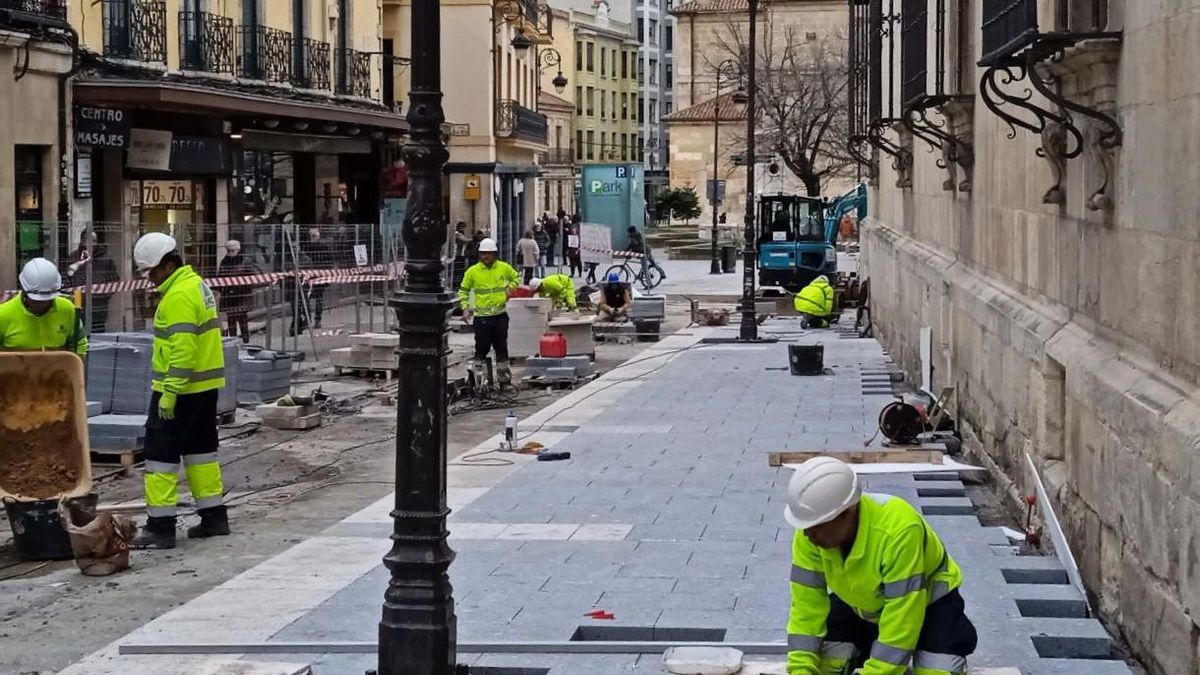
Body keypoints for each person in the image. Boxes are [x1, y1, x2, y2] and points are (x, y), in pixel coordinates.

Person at [784, 457, 977, 675]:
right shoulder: (810, 535)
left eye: (815, 526)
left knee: (936, 671)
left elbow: (902, 618)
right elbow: (806, 607)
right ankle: (867, 648)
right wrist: (800, 670)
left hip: (927, 604)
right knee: (828, 662)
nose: (807, 533)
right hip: (862, 606)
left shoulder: (899, 531)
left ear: (847, 513)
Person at [130, 233, 229, 550]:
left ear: (169, 264)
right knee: (201, 453)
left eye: (153, 271)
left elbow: (183, 349)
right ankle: (214, 517)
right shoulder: (196, 286)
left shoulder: (178, 296)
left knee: (160, 455)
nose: (150, 279)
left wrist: (170, 391)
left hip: (180, 389)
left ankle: (160, 527)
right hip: (202, 389)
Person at [458, 237, 520, 387]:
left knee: (501, 349)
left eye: (489, 253)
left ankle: (504, 381)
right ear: (479, 254)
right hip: (482, 318)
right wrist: (465, 307)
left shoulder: (503, 268)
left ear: (494, 253)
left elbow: (516, 277)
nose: (486, 256)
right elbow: (463, 290)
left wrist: (510, 288)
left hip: (500, 316)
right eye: (484, 253)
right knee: (481, 349)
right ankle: (479, 383)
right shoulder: (472, 272)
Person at [0, 258, 88, 358]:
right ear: (24, 290)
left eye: (47, 299)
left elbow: (80, 344)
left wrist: (77, 368)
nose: (42, 303)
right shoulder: (3, 315)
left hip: (58, 372)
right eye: (37, 300)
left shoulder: (67, 309)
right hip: (14, 373)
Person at [65, 231, 119, 334]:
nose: (92, 243)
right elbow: (67, 279)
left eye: (94, 241)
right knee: (79, 334)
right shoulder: (73, 258)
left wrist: (104, 296)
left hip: (98, 307)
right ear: (82, 241)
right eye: (88, 240)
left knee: (98, 337)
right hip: (78, 305)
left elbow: (114, 280)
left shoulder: (106, 259)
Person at [216, 240, 254, 343]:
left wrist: (244, 286)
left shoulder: (245, 261)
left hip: (242, 295)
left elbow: (252, 277)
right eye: (228, 250)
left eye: (232, 250)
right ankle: (233, 341)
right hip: (229, 295)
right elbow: (220, 277)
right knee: (231, 320)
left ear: (238, 250)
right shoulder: (225, 261)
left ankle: (245, 341)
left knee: (243, 319)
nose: (230, 253)